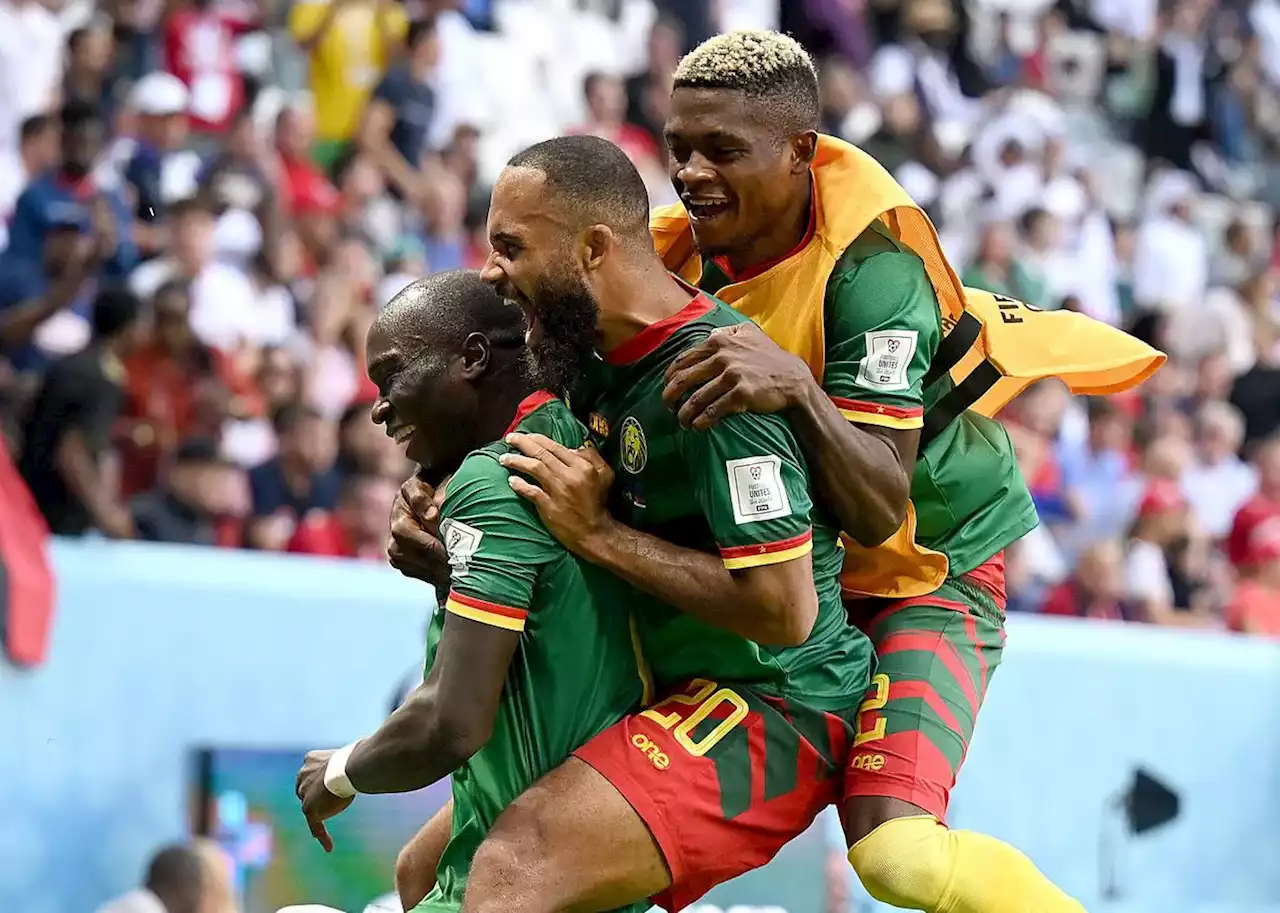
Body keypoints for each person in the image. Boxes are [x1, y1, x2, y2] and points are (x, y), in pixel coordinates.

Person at [643, 31, 1092, 912]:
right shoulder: (673, 255)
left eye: (721, 150)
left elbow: (881, 505)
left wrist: (797, 389)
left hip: (928, 569)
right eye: (678, 148)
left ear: (800, 152)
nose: (691, 172)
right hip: (793, 578)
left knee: (896, 857)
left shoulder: (876, 272)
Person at [384, 135, 872, 913]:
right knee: (422, 871)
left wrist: (602, 537)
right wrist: (435, 516)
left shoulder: (716, 381)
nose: (489, 272)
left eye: (511, 246)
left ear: (592, 247)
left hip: (774, 703)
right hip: (650, 686)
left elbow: (786, 610)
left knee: (511, 870)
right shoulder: (577, 356)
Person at [292, 270, 647, 913]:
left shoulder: (496, 476)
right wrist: (445, 578)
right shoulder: (564, 435)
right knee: (411, 873)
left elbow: (449, 724)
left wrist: (341, 772)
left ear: (474, 358)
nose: (378, 406)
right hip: (565, 856)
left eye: (392, 375)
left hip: (520, 881)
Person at [18, 288, 144, 538]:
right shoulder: (100, 378)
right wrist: (106, 515)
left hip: (27, 504)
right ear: (131, 328)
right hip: (55, 518)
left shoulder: (72, 364)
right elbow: (72, 452)